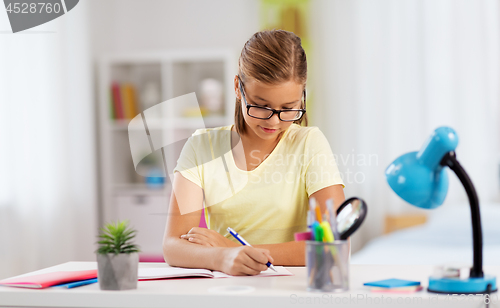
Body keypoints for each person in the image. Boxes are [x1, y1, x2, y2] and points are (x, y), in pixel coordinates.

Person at [163, 29, 345, 276]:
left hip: (289, 288)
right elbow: (173, 245)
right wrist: (223, 258)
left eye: (288, 108)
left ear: (302, 97)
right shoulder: (201, 146)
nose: (274, 121)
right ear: (239, 88)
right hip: (228, 289)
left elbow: (332, 245)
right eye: (261, 106)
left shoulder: (309, 143)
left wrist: (231, 250)